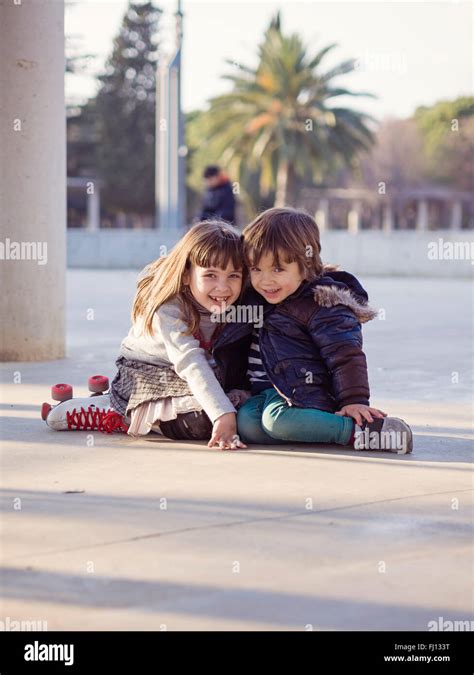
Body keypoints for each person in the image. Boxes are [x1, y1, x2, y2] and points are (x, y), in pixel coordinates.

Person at [42, 221, 250, 450]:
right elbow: (190, 362)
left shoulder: (240, 304)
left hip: (196, 377)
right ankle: (115, 410)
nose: (223, 287)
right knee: (201, 421)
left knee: (241, 407)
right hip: (148, 375)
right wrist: (222, 414)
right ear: (186, 275)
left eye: (233, 276)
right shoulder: (169, 308)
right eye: (210, 275)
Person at [234, 207, 413, 454]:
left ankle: (358, 432)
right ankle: (316, 431)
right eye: (256, 269)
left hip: (307, 393)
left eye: (277, 269)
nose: (265, 280)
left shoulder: (322, 303)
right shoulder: (263, 298)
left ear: (305, 265)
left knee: (276, 422)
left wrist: (354, 400)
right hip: (270, 392)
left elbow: (345, 354)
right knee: (246, 425)